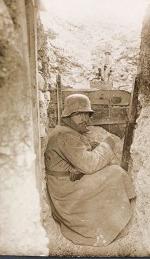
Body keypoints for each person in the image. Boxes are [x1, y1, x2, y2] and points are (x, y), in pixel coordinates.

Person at [45, 94, 136, 247]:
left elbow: (80, 152)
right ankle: (104, 226)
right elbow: (89, 165)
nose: (86, 120)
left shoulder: (67, 131)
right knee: (116, 173)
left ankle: (110, 221)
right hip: (66, 190)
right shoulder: (64, 135)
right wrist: (106, 145)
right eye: (81, 115)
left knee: (112, 171)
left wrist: (93, 146)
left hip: (68, 182)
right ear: (70, 115)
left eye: (87, 115)